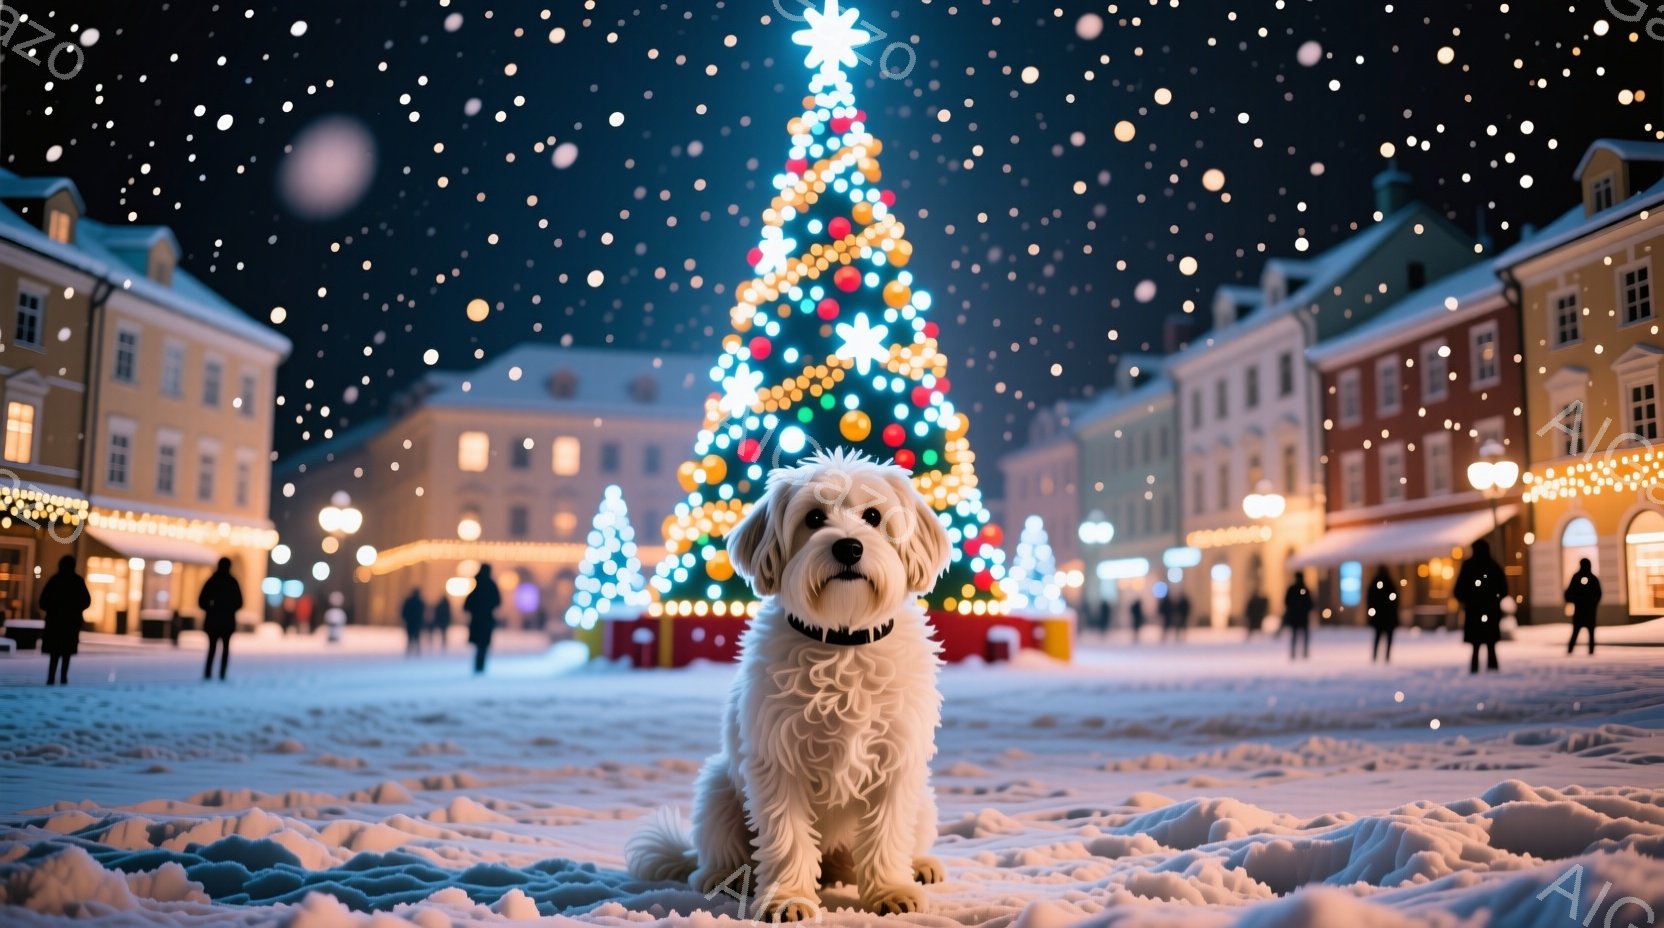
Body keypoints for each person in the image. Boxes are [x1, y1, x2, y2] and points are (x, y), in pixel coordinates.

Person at [1456, 539, 1508, 674]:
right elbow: (1504, 589)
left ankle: (1475, 669)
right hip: (1490, 611)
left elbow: (1458, 591)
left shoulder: (1469, 566)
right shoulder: (1493, 566)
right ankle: (1492, 670)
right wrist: (1494, 599)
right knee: (1491, 645)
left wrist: (1469, 599)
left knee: (1476, 645)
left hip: (1474, 611)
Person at [39, 555, 90, 686]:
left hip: (55, 622)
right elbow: (86, 601)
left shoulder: (55, 580)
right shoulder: (77, 581)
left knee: (54, 653)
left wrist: (54, 608)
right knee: (66, 653)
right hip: (71, 623)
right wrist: (75, 609)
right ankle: (63, 677)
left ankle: (51, 677)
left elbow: (42, 602)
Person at [198, 557, 244, 681]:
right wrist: (228, 608)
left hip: (213, 622)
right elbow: (239, 603)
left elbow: (201, 601)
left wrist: (212, 607)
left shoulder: (212, 581)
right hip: (227, 623)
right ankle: (222, 674)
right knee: (224, 649)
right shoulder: (232, 582)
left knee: (212, 648)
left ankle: (208, 673)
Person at [463, 564, 502, 674]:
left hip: (477, 621)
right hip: (486, 620)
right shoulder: (491, 585)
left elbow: (467, 605)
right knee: (483, 645)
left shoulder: (477, 586)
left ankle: (478, 666)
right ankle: (480, 666)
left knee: (479, 645)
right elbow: (498, 601)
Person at [1564, 558, 1602, 656]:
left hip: (1582, 611)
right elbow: (1598, 594)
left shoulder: (1578, 577)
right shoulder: (1591, 578)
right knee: (1585, 633)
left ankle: (1571, 651)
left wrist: (1576, 600)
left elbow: (1568, 594)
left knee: (1579, 632)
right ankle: (1589, 652)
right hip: (1586, 611)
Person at [1367, 566, 1399, 663]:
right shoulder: (1388, 583)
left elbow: (1370, 600)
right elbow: (1395, 600)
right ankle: (1384, 656)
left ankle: (1378, 656)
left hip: (1381, 618)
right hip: (1386, 617)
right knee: (1385, 638)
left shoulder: (1378, 584)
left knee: (1379, 637)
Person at [1283, 573, 1313, 660]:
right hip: (1299, 616)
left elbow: (1287, 601)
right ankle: (1301, 652)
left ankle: (1299, 652)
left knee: (1297, 635)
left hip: (1298, 616)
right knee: (1299, 635)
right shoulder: (1300, 589)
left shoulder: (1296, 589)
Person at [401, 588, 426, 656]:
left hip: (410, 623)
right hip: (417, 623)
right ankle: (417, 653)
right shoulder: (420, 602)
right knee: (417, 639)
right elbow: (423, 613)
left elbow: (404, 611)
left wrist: (405, 619)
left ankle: (409, 652)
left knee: (410, 639)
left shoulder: (409, 601)